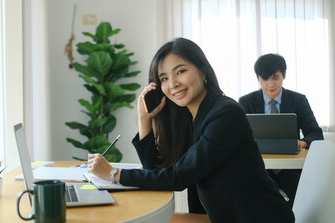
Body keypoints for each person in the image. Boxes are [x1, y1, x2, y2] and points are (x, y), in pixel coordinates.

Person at [87, 38, 294, 222]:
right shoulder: (191, 118)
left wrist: (114, 173)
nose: (173, 84)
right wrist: (144, 119)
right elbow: (155, 171)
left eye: (180, 71)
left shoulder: (225, 114)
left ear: (202, 70)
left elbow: (178, 177)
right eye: (164, 78)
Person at [239, 53, 323, 208]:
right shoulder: (246, 102)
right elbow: (238, 137)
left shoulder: (298, 100)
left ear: (284, 75)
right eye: (265, 79)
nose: (270, 84)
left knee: (301, 200)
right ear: (258, 78)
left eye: (275, 78)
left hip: (289, 168)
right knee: (252, 199)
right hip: (258, 166)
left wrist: (302, 142)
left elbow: (316, 133)